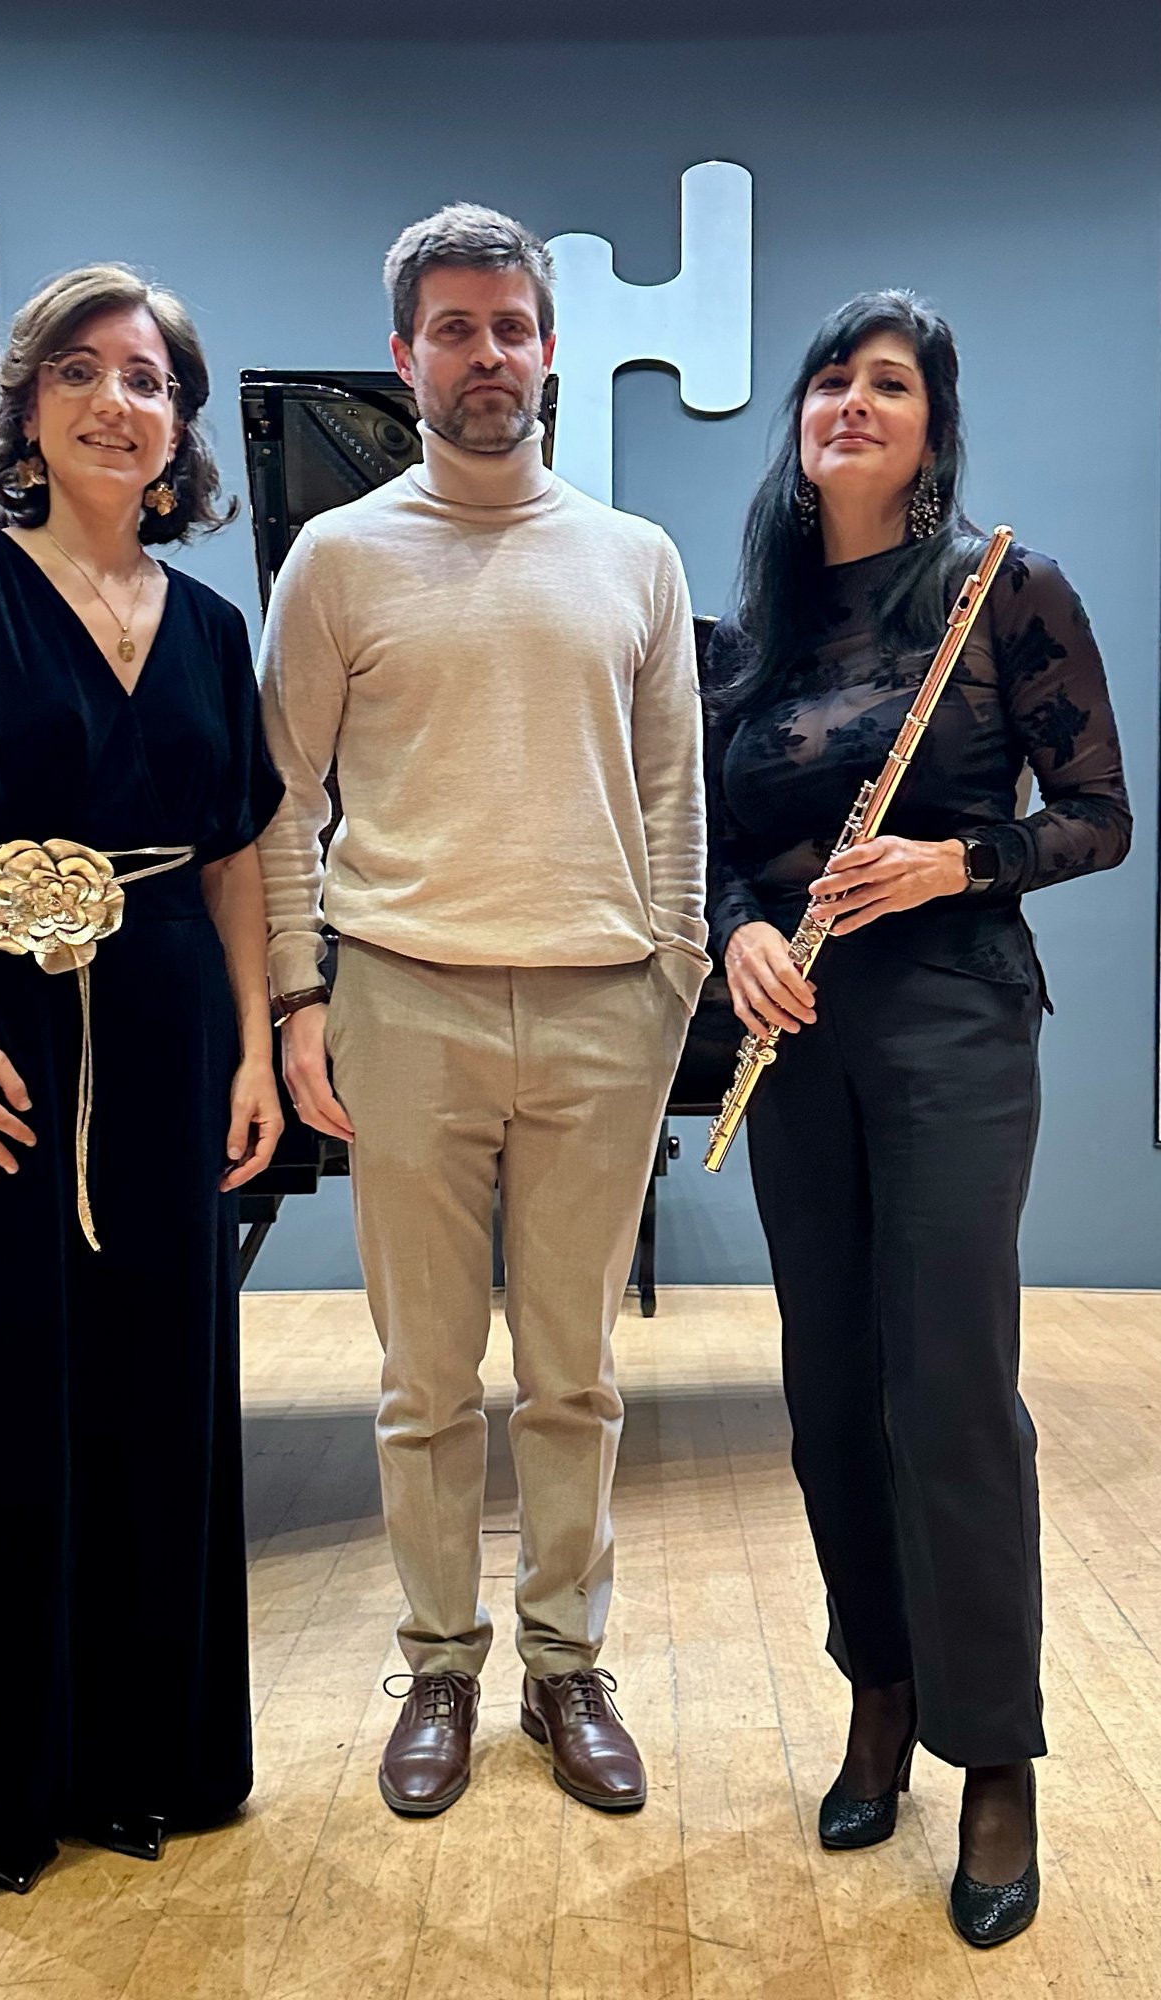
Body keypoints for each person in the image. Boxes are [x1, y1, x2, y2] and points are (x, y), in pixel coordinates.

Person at [258, 203, 708, 1818]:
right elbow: (282, 801)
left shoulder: (634, 559)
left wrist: (668, 980)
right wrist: (301, 998)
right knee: (425, 1380)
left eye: (510, 326)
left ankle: (566, 1669)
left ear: (550, 344)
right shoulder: (341, 558)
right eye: (453, 329)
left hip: (605, 1013)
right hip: (404, 1005)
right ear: (406, 358)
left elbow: (676, 801)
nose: (487, 355)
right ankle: (439, 1667)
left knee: (577, 1376)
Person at [0, 264, 283, 1892]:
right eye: (84, 372)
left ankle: (149, 1761)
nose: (118, 402)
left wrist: (252, 1043)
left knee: (165, 1391)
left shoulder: (216, 625)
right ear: (31, 406)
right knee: (3, 1387)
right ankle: (5, 1789)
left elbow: (235, 853)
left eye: (151, 380)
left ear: (178, 429)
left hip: (172, 1035)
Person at [703, 290, 1131, 1946]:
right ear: (800, 422)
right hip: (798, 1031)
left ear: (932, 430)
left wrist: (954, 859)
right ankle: (877, 1689)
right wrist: (744, 925)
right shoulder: (757, 630)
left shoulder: (1003, 592)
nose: (856, 404)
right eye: (833, 381)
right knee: (828, 1392)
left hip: (954, 1014)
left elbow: (1098, 815)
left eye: (893, 386)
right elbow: (719, 839)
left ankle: (993, 1753)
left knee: (951, 1387)